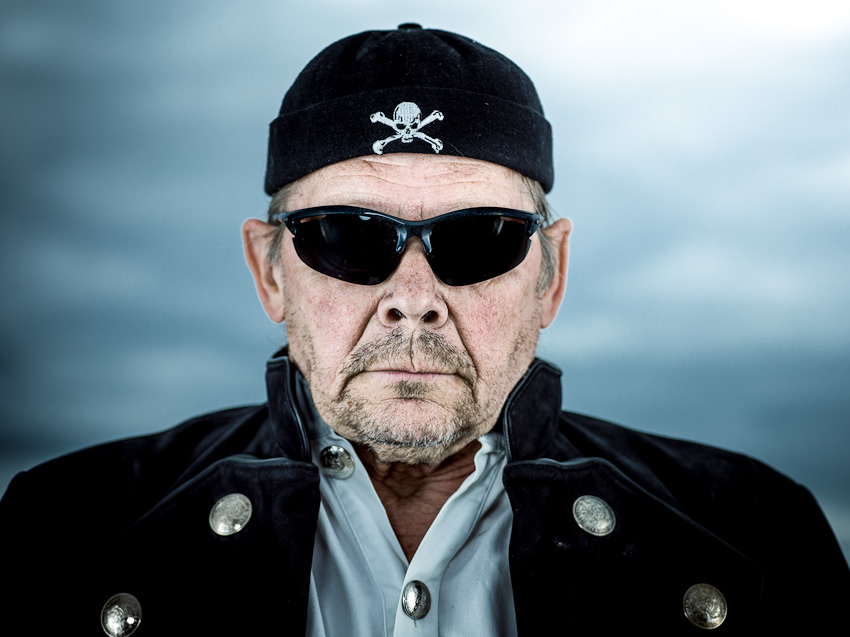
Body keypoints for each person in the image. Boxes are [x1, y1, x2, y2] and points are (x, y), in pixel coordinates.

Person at [1, 24, 847, 636]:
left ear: (551, 276)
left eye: (480, 238)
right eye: (346, 236)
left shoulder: (757, 534)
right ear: (270, 271)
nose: (414, 297)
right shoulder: (59, 531)